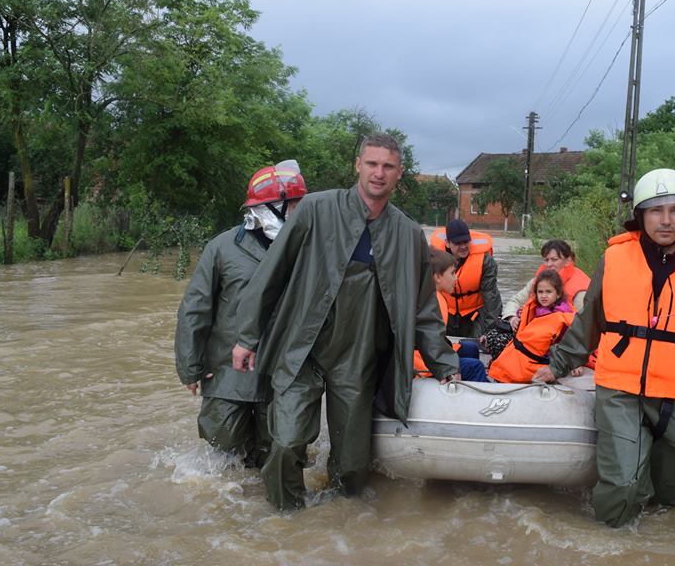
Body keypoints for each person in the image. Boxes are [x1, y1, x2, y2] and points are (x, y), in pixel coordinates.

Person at [230, 134, 461, 511]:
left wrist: (445, 364)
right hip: (301, 348)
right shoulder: (315, 209)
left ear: (399, 173)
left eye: (388, 166)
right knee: (286, 444)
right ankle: (287, 522)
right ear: (358, 165)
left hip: (358, 356)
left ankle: (341, 524)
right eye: (372, 163)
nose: (378, 173)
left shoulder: (408, 234)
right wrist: (247, 337)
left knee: (352, 467)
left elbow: (423, 309)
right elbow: (271, 273)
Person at [533, 168, 675, 528]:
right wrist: (558, 365)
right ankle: (612, 539)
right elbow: (589, 321)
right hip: (621, 389)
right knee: (622, 489)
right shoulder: (615, 259)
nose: (666, 220)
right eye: (656, 210)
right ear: (640, 215)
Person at [174, 160, 307, 468]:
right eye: (295, 205)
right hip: (227, 374)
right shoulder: (222, 248)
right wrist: (190, 367)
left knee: (276, 460)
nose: (301, 211)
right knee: (222, 461)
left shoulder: (305, 248)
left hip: (281, 375)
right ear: (272, 208)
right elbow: (194, 310)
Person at [487, 269, 575, 384]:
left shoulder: (564, 316)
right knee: (494, 339)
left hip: (543, 359)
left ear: (558, 294)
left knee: (506, 365)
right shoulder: (534, 308)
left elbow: (572, 342)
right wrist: (516, 318)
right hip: (525, 351)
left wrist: (574, 364)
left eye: (548, 292)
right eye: (540, 292)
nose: (544, 296)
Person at [414, 248, 489, 382]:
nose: (456, 278)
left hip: (430, 352)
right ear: (437, 277)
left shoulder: (434, 296)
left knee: (471, 348)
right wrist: (448, 366)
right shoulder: (431, 303)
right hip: (422, 362)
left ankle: (465, 387)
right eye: (452, 273)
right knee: (475, 367)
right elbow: (430, 344)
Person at [429, 218, 503, 338]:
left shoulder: (485, 262)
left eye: (466, 241)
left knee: (479, 341)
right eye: (458, 243)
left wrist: (489, 332)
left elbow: (491, 298)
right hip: (447, 311)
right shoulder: (435, 260)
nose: (463, 246)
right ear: (447, 243)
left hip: (476, 313)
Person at [502, 239, 590, 331]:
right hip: (535, 331)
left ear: (568, 260)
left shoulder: (580, 292)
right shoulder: (536, 282)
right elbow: (514, 301)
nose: (549, 264)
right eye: (546, 260)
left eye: (554, 260)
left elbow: (585, 326)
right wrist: (512, 317)